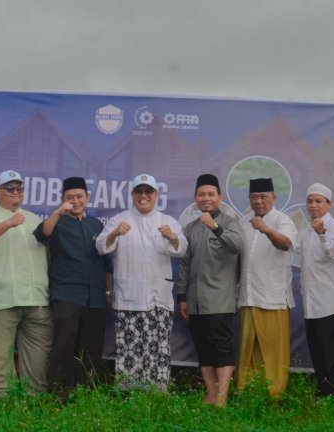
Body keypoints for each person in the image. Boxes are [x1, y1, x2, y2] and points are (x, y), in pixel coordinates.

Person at [96, 173, 187, 391]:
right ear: (133, 195)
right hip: (129, 296)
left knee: (158, 347)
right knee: (129, 348)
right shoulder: (119, 219)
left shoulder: (168, 221)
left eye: (148, 192)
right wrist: (115, 234)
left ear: (156, 195)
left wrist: (172, 237)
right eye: (139, 192)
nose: (143, 196)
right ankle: (129, 393)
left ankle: (157, 393)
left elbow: (182, 249)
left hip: (159, 298)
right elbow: (101, 246)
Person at [0, 170, 52, 397]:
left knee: (38, 362)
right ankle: (1, 406)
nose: (16, 193)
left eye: (19, 189)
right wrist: (8, 223)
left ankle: (33, 404)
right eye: (10, 189)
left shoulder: (34, 219)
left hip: (36, 301)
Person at [33, 177, 112, 397]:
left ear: (87, 198)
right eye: (70, 197)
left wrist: (107, 292)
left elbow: (106, 262)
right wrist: (59, 212)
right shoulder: (56, 222)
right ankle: (57, 394)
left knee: (91, 348)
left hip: (95, 297)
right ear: (63, 199)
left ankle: (85, 394)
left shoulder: (96, 225)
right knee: (63, 346)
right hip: (67, 295)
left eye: (79, 197)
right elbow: (42, 235)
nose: (75, 201)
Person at [177, 174, 243, 406]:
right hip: (195, 301)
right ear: (195, 198)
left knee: (222, 348)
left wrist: (214, 227)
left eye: (211, 194)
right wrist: (182, 296)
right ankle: (211, 393)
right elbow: (184, 265)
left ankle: (222, 397)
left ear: (219, 197)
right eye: (202, 194)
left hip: (220, 300)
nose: (206, 198)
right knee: (203, 349)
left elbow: (237, 246)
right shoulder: (190, 228)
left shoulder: (230, 222)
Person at [235, 177, 297, 397]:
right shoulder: (243, 222)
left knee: (272, 351)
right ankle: (245, 392)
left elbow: (285, 243)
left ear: (274, 198)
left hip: (273, 297)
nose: (259, 201)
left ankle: (274, 395)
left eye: (263, 197)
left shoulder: (283, 220)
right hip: (248, 296)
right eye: (254, 197)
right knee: (246, 349)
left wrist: (266, 229)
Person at [295, 183, 334, 397]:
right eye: (310, 201)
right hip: (311, 300)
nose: (313, 205)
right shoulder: (307, 229)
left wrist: (322, 233)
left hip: (329, 301)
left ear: (329, 204)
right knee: (317, 349)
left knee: (332, 350)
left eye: (319, 201)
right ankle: (324, 389)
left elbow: (333, 253)